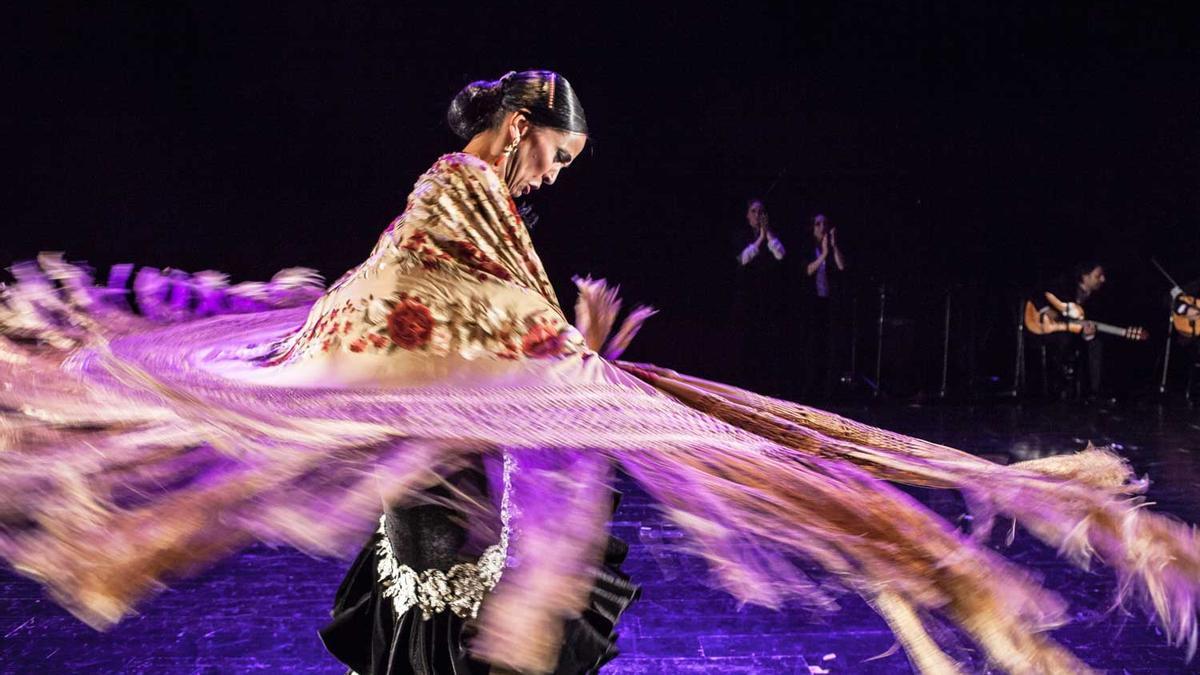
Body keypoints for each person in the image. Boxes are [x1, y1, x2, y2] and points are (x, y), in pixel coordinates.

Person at [4, 71, 1200, 674]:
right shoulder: (455, 181)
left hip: (452, 433)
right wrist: (555, 345)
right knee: (441, 596)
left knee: (473, 586)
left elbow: (493, 306)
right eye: (557, 155)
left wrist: (563, 344)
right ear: (518, 124)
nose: (555, 178)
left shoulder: (480, 195)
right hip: (428, 429)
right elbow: (417, 292)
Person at [731, 198, 790, 396]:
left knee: (767, 343)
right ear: (748, 215)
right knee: (745, 342)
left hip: (767, 297)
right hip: (746, 296)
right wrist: (759, 239)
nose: (758, 215)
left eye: (761, 211)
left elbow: (781, 255)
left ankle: (764, 386)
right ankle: (743, 386)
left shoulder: (772, 236)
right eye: (754, 211)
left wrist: (768, 234)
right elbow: (743, 259)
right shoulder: (741, 235)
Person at [1031, 261, 1107, 400]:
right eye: (1098, 276)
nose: (1103, 279)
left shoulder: (1098, 301)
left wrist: (1087, 334)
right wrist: (1047, 310)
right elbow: (1036, 293)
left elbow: (1087, 326)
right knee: (1064, 340)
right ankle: (1059, 387)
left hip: (1074, 337)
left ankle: (1092, 392)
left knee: (1096, 343)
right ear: (1085, 276)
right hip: (1048, 332)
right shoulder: (1063, 286)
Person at [800, 213, 847, 399]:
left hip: (829, 302)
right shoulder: (809, 247)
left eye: (824, 224)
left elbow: (842, 267)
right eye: (818, 224)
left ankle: (828, 390)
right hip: (812, 303)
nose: (822, 227)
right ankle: (810, 389)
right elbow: (807, 270)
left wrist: (833, 248)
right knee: (812, 346)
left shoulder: (831, 246)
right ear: (812, 228)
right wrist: (824, 255)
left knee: (830, 345)